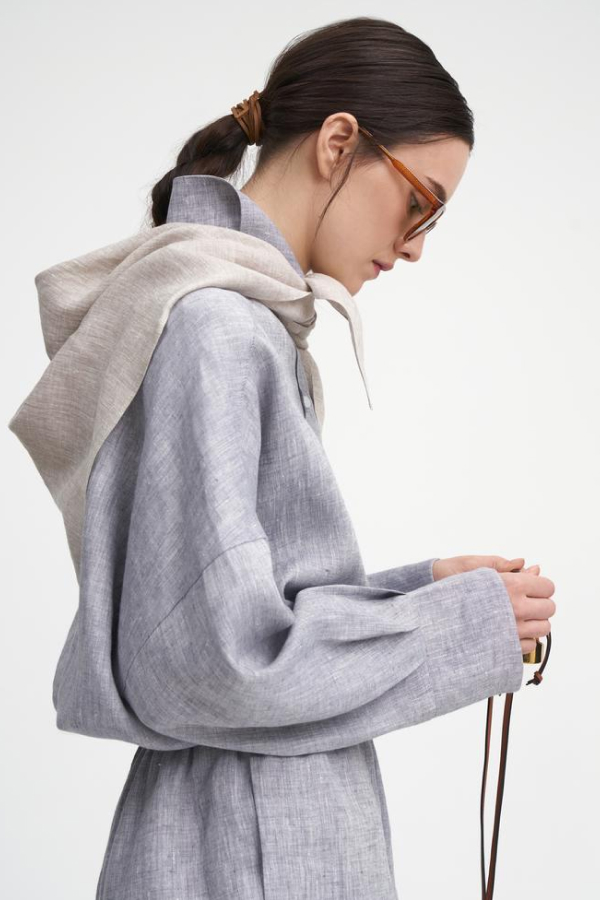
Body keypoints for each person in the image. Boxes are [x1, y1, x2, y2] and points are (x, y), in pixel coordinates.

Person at [8, 15, 556, 900]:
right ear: (339, 143)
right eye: (420, 202)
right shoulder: (218, 329)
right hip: (246, 844)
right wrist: (459, 627)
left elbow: (236, 613)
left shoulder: (248, 322)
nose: (417, 244)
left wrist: (418, 589)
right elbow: (214, 663)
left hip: (247, 830)